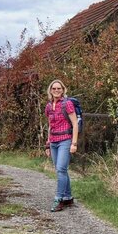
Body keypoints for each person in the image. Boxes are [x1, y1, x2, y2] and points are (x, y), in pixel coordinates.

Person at [44, 79, 79, 212]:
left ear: (63, 90)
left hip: (65, 140)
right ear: (51, 90)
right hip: (53, 141)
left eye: (59, 88)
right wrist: (48, 144)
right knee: (61, 170)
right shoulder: (48, 106)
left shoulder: (67, 104)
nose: (56, 91)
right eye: (54, 89)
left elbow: (75, 123)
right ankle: (68, 197)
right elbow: (50, 125)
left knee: (60, 170)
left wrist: (74, 143)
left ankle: (58, 199)